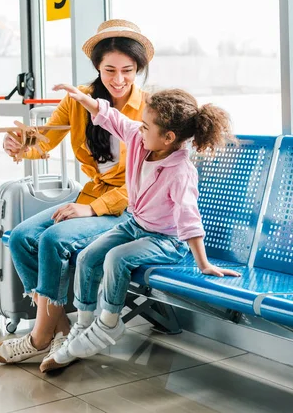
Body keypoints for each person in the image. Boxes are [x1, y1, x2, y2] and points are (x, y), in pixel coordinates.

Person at [41, 84, 241, 370]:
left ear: (168, 137)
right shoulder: (139, 139)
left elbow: (189, 218)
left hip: (166, 240)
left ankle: (108, 322)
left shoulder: (181, 172)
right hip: (135, 225)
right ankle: (84, 323)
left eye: (146, 126)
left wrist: (204, 263)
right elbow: (115, 119)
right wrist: (87, 101)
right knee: (88, 256)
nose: (140, 128)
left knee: (116, 258)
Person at [0, 19, 154, 368]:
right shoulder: (78, 100)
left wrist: (92, 209)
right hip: (92, 198)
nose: (119, 79)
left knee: (53, 240)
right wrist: (20, 144)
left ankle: (39, 335)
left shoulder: (151, 109)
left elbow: (147, 180)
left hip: (128, 208)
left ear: (138, 68)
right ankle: (59, 327)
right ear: (97, 66)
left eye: (128, 70)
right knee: (19, 237)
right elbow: (44, 140)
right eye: (110, 69)